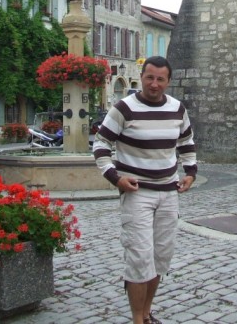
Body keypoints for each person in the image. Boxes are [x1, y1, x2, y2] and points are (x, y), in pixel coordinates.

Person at [93, 56, 197, 324]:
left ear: (168, 81)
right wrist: (115, 178)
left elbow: (186, 142)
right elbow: (101, 144)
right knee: (139, 258)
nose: (154, 84)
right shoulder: (124, 108)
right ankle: (137, 318)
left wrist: (190, 173)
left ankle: (147, 312)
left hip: (169, 192)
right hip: (137, 193)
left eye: (160, 79)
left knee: (161, 257)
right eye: (150, 77)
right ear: (142, 77)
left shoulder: (177, 109)